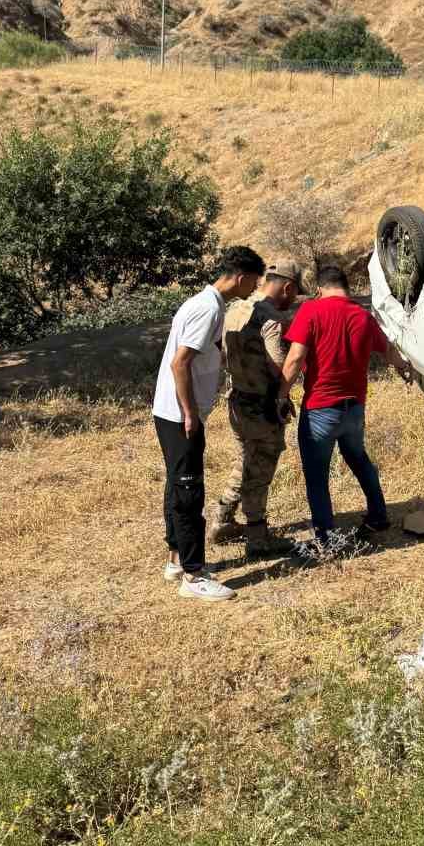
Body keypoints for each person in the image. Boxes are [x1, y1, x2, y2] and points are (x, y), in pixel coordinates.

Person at [151, 245, 265, 600]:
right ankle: (194, 575)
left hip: (169, 410)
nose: (253, 291)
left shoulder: (204, 303)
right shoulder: (207, 309)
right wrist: (190, 413)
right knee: (188, 491)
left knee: (176, 485)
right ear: (242, 277)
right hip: (179, 413)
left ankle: (176, 559)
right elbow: (180, 363)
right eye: (254, 284)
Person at [279, 263, 412, 546]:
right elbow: (388, 348)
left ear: (319, 289)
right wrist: (402, 367)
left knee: (316, 474)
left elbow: (294, 359)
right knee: (358, 458)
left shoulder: (311, 311)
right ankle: (378, 516)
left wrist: (280, 394)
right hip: (354, 408)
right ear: (346, 288)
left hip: (320, 408)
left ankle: (326, 540)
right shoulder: (362, 316)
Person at [209, 259, 302, 556]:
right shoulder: (269, 318)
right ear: (287, 287)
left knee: (245, 460)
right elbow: (278, 363)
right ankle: (257, 537)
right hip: (262, 404)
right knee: (260, 468)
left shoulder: (234, 310)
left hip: (237, 399)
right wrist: (284, 393)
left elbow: (221, 356)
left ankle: (223, 519)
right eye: (295, 293)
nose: (293, 300)